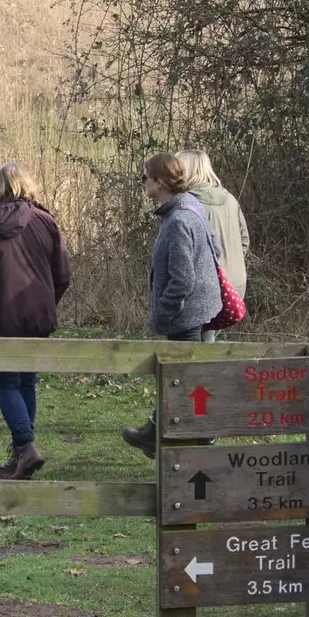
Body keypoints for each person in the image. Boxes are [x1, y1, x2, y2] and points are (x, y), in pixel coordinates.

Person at [0, 162, 73, 480]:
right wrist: (47, 303)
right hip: (37, 316)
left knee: (7, 384)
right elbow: (62, 274)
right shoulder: (47, 222)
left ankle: (25, 445)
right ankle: (22, 452)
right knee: (25, 381)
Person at [120, 152, 224, 458]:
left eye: (144, 178)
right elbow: (214, 249)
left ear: (160, 182)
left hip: (186, 313)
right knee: (184, 376)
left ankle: (193, 434)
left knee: (182, 377)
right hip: (198, 309)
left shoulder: (179, 219)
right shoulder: (192, 206)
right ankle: (178, 433)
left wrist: (161, 314)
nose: (143, 183)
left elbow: (182, 281)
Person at [177, 149, 248, 342]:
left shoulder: (189, 204)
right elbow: (244, 241)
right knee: (207, 340)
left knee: (199, 348)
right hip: (235, 285)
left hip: (209, 287)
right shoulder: (230, 199)